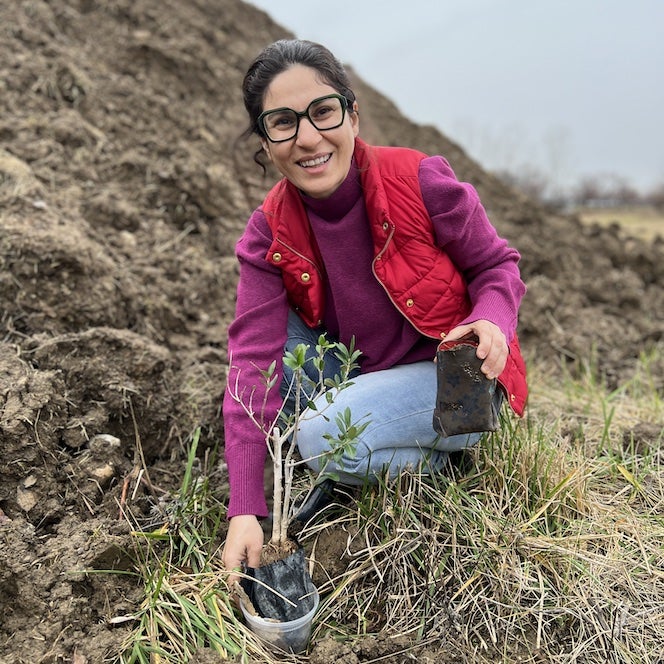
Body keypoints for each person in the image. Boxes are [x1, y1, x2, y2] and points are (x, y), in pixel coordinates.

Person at [222, 39, 527, 577]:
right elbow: (251, 364)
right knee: (280, 349)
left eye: (322, 112)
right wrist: (246, 509)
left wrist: (494, 319)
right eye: (283, 123)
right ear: (266, 144)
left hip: (455, 384)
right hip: (365, 374)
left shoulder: (419, 179)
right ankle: (384, 455)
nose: (309, 138)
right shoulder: (269, 229)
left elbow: (496, 266)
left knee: (316, 437)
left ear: (353, 115)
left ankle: (450, 458)